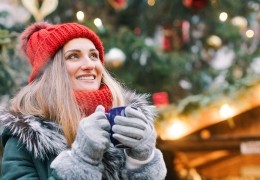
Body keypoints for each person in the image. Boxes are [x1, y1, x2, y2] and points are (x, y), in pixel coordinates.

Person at [0, 22, 167, 179]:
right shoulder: (25, 138)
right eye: (73, 56)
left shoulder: (126, 119)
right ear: (52, 72)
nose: (89, 64)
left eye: (94, 55)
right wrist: (81, 162)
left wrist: (143, 161)